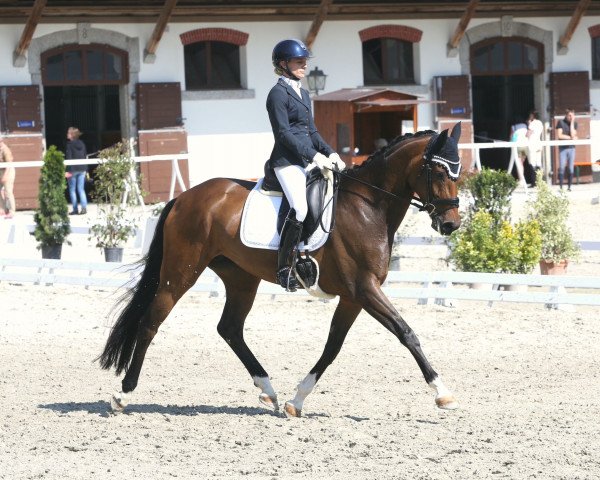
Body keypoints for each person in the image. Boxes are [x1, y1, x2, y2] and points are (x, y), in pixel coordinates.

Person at [267, 38, 345, 291]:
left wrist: (331, 153)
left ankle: (307, 253)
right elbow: (284, 134)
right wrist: (314, 156)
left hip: (305, 159)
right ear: (283, 64)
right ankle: (282, 268)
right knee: (300, 208)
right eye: (299, 62)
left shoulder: (303, 92)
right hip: (286, 161)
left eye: (305, 61)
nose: (304, 66)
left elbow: (311, 131)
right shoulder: (277, 94)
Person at [65, 127, 88, 214]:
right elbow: (85, 155)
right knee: (81, 189)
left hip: (72, 169)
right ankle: (84, 208)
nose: (67, 134)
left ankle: (75, 209)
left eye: (68, 133)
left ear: (72, 135)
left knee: (72, 190)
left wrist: (67, 171)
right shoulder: (82, 144)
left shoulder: (69, 145)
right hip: (82, 169)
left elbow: (69, 158)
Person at [555, 109, 578, 191]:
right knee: (561, 167)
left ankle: (569, 187)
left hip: (571, 148)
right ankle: (561, 187)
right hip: (563, 148)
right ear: (566, 115)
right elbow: (560, 135)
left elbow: (573, 133)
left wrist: (572, 123)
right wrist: (571, 138)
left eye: (572, 115)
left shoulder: (574, 123)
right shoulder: (560, 122)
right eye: (569, 115)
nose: (571, 117)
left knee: (570, 167)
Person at [0, 136, 16, 219]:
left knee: (8, 191)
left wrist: (5, 176)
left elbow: (9, 164)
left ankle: (11, 211)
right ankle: (2, 209)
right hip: (0, 170)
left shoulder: (5, 149)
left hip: (8, 170)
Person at [510, 117, 528, 187]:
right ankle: (522, 178)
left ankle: (521, 179)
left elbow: (511, 137)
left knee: (518, 163)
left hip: (517, 146)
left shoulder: (513, 127)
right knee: (522, 163)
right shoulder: (525, 126)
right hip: (524, 146)